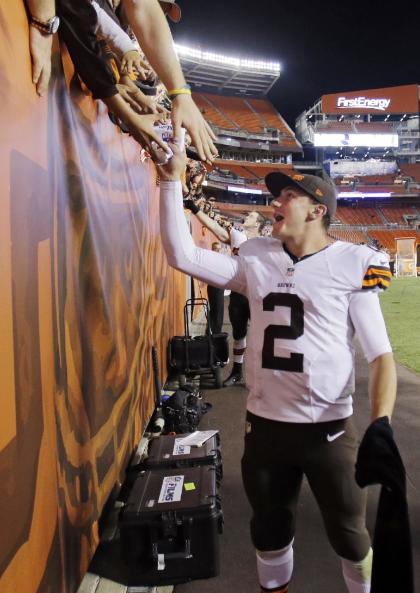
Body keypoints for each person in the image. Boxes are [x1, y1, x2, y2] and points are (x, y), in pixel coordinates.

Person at [158, 143, 397, 593]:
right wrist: (171, 181)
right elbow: (182, 256)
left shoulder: (354, 262)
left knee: (351, 538)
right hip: (264, 428)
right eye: (276, 196)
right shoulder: (256, 256)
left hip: (328, 430)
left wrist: (381, 422)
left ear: (317, 210)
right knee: (268, 535)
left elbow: (380, 354)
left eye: (287, 197)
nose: (275, 204)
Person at [206, 241, 225, 335]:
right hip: (213, 287)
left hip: (220, 287)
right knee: (216, 310)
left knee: (219, 310)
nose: (217, 251)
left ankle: (213, 331)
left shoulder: (221, 259)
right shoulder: (210, 259)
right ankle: (215, 333)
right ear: (212, 249)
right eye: (215, 249)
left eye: (218, 249)